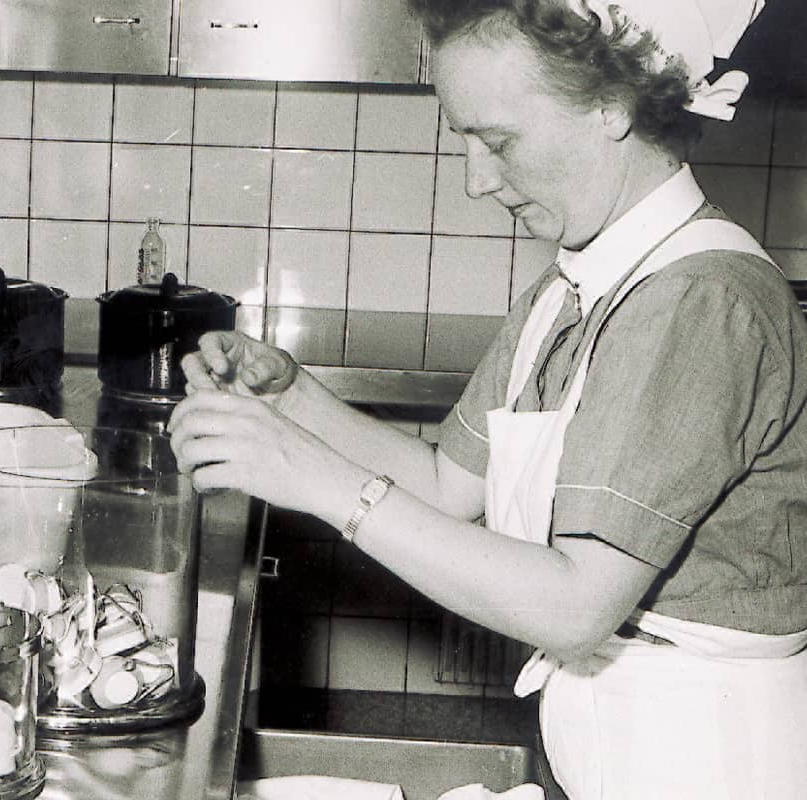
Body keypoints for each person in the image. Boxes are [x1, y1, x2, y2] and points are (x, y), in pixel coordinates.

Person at [166, 1, 807, 797]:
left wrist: (322, 484)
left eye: (497, 142)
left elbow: (576, 606)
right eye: (463, 141)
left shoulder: (700, 301)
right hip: (609, 750)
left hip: (705, 765)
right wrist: (292, 399)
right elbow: (450, 485)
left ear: (613, 105)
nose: (476, 180)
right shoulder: (578, 283)